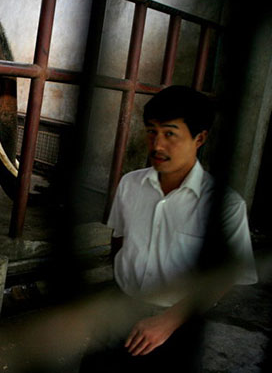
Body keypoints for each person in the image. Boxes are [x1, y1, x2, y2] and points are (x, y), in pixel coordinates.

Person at [79, 85, 258, 372]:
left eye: (170, 134)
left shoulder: (225, 205)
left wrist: (168, 321)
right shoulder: (130, 184)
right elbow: (119, 240)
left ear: (200, 138)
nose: (157, 145)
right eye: (152, 131)